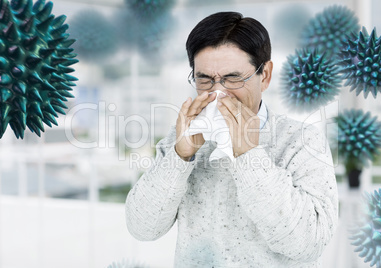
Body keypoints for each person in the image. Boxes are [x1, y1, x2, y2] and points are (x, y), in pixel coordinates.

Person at [125, 11, 338, 268]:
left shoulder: (302, 141)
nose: (218, 92)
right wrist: (180, 157)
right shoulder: (181, 139)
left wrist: (249, 155)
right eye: (204, 80)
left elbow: (308, 243)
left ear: (266, 75)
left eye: (233, 78)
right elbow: (142, 228)